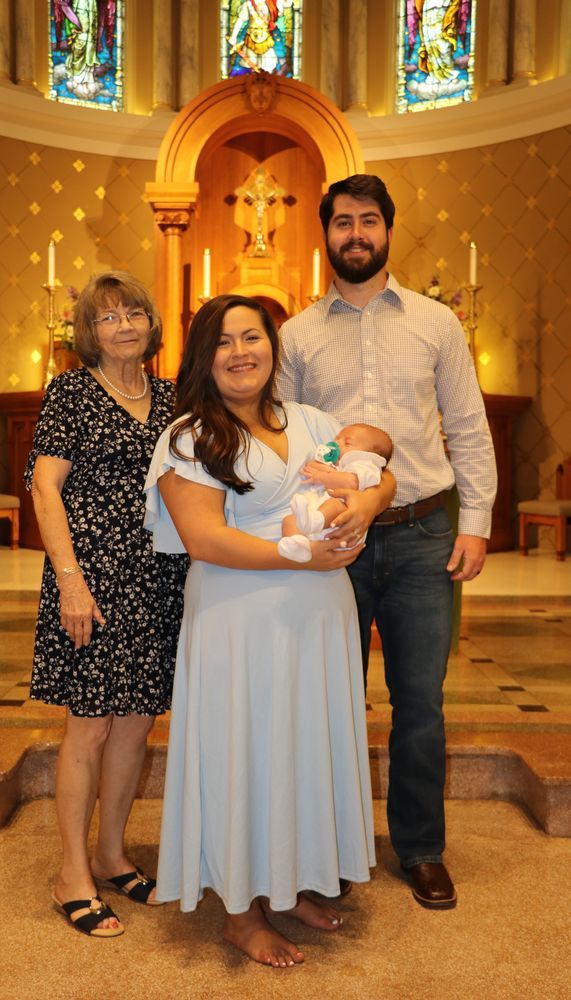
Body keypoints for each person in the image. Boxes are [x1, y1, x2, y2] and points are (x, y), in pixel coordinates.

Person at [144, 294, 396, 968]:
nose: (240, 352)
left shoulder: (313, 421)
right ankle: (240, 912)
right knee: (244, 749)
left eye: (251, 337)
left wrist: (368, 502)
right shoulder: (189, 436)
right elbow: (204, 538)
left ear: (271, 346)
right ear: (203, 358)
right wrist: (299, 557)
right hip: (239, 617)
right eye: (223, 342)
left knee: (302, 747)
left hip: (319, 618)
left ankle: (291, 886)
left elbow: (378, 472)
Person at [278, 174, 497, 910]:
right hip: (335, 539)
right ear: (325, 233)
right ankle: (331, 849)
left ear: (388, 231)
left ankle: (421, 849)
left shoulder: (436, 323)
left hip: (421, 533)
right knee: (328, 701)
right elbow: (283, 441)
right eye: (342, 221)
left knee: (420, 702)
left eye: (368, 220)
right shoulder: (296, 335)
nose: (355, 234)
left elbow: (466, 426)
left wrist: (474, 523)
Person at [25, 270, 188, 937]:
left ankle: (112, 854)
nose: (124, 326)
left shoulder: (173, 397)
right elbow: (45, 487)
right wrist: (70, 580)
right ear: (89, 333)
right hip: (89, 580)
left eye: (134, 313)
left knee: (136, 724)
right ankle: (72, 873)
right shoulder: (71, 392)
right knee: (89, 725)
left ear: (152, 324)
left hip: (156, 580)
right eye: (108, 317)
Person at [278, 422, 393, 562]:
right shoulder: (336, 466)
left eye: (347, 443)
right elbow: (310, 467)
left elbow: (350, 483)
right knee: (289, 520)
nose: (336, 444)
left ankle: (313, 521)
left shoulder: (366, 466)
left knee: (335, 504)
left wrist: (321, 476)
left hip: (340, 525)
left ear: (367, 454)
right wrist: (324, 469)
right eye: (336, 439)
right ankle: (298, 546)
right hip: (316, 529)